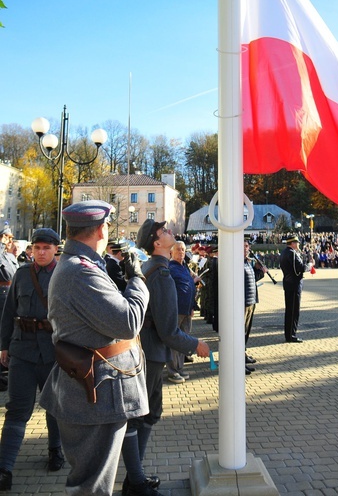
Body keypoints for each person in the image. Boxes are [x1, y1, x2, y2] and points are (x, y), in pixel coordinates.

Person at [39, 200, 150, 496]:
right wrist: (138, 279)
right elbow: (128, 321)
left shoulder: (81, 265)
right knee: (92, 486)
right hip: (96, 395)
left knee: (92, 481)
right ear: (101, 229)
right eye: (108, 226)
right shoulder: (80, 272)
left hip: (95, 391)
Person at [121, 219, 210, 496]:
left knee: (150, 413)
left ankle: (136, 478)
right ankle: (135, 483)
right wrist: (196, 344)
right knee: (137, 416)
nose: (170, 231)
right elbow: (169, 330)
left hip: (148, 353)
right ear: (156, 242)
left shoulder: (154, 268)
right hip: (149, 354)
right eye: (164, 231)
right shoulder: (159, 274)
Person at [0, 228, 65, 491]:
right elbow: (8, 312)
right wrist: (3, 346)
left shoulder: (65, 275)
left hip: (53, 353)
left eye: (46, 248)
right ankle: (4, 468)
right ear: (31, 250)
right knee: (17, 409)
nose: (40, 252)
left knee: (54, 408)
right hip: (23, 351)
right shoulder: (22, 274)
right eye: (36, 248)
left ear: (55, 250)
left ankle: (55, 450)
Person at [166, 240, 200, 382]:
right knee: (175, 342)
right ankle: (172, 371)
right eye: (178, 249)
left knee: (183, 342)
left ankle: (179, 368)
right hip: (176, 310)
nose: (181, 252)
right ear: (171, 252)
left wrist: (192, 306)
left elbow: (190, 288)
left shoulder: (185, 267)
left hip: (186, 310)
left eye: (183, 250)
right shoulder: (170, 267)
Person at [279, 234, 311, 343]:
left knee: (289, 311)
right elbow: (299, 269)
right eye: (296, 242)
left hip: (288, 283)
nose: (298, 244)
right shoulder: (292, 254)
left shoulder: (284, 252)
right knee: (293, 311)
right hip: (294, 284)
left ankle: (289, 334)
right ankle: (291, 335)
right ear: (292, 243)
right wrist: (310, 265)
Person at [244, 241, 265, 374]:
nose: (248, 249)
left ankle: (242, 357)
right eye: (245, 246)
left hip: (251, 301)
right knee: (240, 333)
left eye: (248, 246)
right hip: (243, 302)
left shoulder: (247, 262)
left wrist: (259, 270)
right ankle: (239, 362)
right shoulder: (237, 262)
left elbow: (253, 279)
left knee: (245, 333)